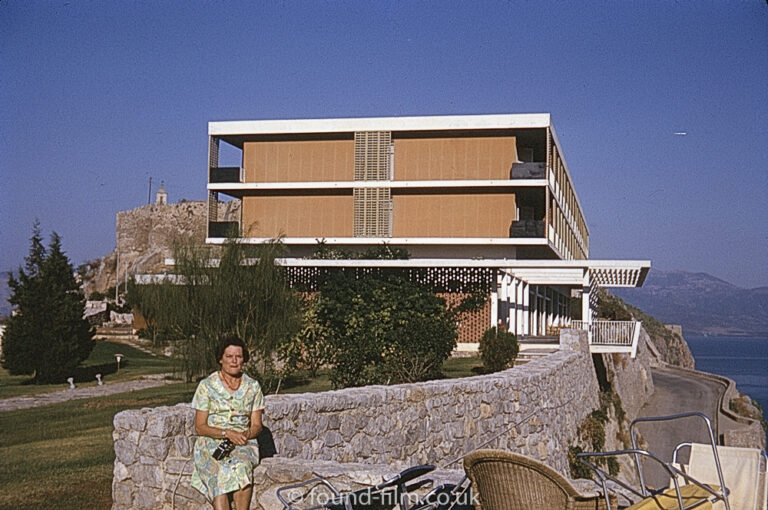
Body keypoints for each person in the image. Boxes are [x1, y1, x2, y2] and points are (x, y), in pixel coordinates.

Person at [190, 336, 265, 510]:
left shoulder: (253, 387)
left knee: (242, 466)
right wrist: (227, 433)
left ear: (243, 359)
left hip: (242, 441)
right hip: (211, 440)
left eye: (238, 356)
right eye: (229, 356)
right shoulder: (207, 386)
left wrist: (244, 435)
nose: (234, 360)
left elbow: (257, 425)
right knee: (220, 470)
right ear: (220, 359)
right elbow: (200, 426)